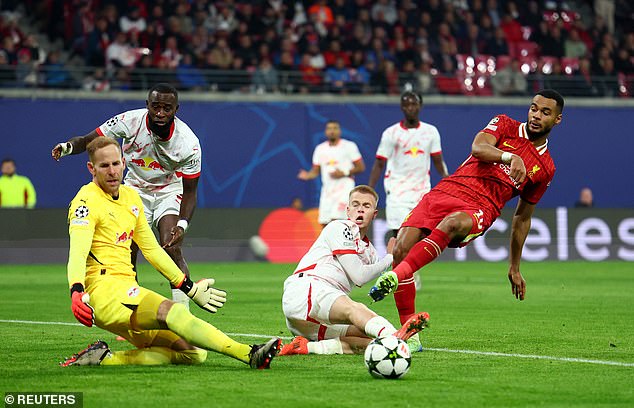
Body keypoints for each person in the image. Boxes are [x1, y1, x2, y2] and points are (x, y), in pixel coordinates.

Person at [59, 137, 281, 368]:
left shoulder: (130, 197)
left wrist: (189, 288)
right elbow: (78, 251)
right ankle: (249, 354)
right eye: (104, 166)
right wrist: (76, 290)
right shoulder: (85, 202)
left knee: (193, 353)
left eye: (116, 164)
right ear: (91, 168)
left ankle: (105, 359)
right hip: (103, 292)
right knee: (172, 312)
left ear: (124, 163)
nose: (112, 171)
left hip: (125, 291)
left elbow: (152, 249)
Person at [369, 90, 565, 324]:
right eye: (533, 108)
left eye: (545, 112)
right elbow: (478, 148)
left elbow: (522, 218)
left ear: (557, 119)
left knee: (452, 224)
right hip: (448, 190)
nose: (536, 116)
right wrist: (509, 157)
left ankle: (393, 276)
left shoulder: (545, 168)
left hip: (482, 206)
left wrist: (514, 267)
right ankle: (409, 331)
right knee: (400, 248)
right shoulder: (504, 123)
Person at [52, 83, 198, 308]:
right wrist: (67, 147)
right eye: (155, 107)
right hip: (133, 189)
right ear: (147, 105)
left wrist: (182, 224)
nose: (160, 113)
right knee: (127, 250)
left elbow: (190, 191)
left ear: (176, 110)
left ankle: (182, 313)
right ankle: (134, 312)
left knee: (171, 246)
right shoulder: (128, 121)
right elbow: (90, 139)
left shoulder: (189, 144)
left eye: (166, 108)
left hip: (168, 190)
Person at [279, 185, 429, 356]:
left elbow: (377, 279)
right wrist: (389, 257)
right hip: (306, 289)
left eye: (366, 206)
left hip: (311, 319)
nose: (360, 210)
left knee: (369, 339)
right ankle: (395, 336)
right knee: (354, 309)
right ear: (348, 211)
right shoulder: (340, 228)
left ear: (374, 214)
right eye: (356, 205)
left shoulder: (371, 252)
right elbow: (359, 276)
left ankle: (305, 347)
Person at [367, 91, 449, 351]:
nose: (411, 106)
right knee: (399, 239)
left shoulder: (431, 132)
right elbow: (379, 164)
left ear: (420, 106)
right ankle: (402, 275)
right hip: (398, 194)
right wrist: (370, 192)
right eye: (406, 103)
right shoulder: (391, 133)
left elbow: (438, 162)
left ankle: (407, 272)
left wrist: (448, 184)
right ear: (402, 107)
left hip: (422, 194)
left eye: (414, 103)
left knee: (420, 240)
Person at [298, 120, 365, 227]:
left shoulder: (349, 146)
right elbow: (315, 171)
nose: (332, 131)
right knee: (324, 224)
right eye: (329, 128)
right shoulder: (320, 149)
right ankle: (330, 244)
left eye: (335, 128)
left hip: (344, 190)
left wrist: (344, 173)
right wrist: (308, 175)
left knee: (337, 222)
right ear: (326, 132)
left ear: (339, 131)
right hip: (327, 192)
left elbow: (361, 167)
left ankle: (341, 243)